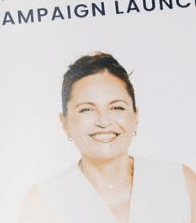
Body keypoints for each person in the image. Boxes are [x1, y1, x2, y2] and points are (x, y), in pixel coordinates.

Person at [18, 52, 196, 223]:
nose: (104, 121)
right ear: (64, 122)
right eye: (87, 109)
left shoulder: (180, 182)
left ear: (135, 116)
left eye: (117, 107)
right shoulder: (44, 201)